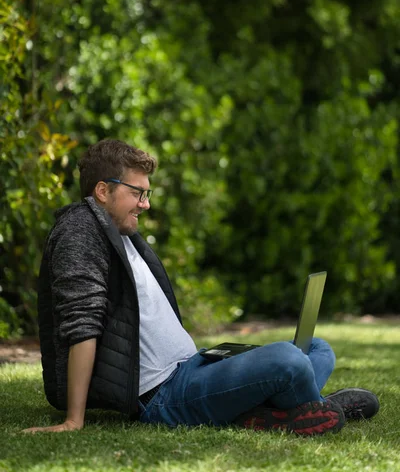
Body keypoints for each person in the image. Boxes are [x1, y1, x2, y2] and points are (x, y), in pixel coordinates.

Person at [23, 139, 379, 436]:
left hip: (196, 365)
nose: (146, 204)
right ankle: (314, 407)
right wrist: (74, 420)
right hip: (164, 395)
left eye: (147, 194)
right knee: (288, 360)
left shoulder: (122, 235)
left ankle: (274, 410)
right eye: (138, 193)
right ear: (103, 190)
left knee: (318, 349)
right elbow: (80, 323)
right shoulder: (79, 230)